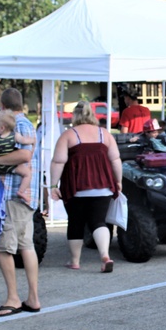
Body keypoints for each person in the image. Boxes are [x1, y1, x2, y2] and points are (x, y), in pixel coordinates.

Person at [49, 100, 124, 272]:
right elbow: (115, 159)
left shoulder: (69, 135)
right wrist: (118, 181)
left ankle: (75, 261)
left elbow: (58, 161)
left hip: (77, 186)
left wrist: (53, 184)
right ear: (93, 115)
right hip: (103, 185)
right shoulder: (104, 134)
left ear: (75, 116)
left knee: (76, 222)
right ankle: (105, 256)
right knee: (98, 221)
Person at [0, 88, 41, 317]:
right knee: (25, 245)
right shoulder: (26, 123)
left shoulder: (16, 124)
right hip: (24, 195)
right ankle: (32, 298)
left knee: (3, 247)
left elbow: (24, 156)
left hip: (12, 195)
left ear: (3, 105)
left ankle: (13, 298)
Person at [0, 110, 35, 205]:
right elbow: (24, 141)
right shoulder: (15, 136)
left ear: (2, 128)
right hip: (11, 165)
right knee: (27, 174)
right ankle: (21, 191)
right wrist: (33, 140)